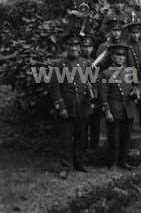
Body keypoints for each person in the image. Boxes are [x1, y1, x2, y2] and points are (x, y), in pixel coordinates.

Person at [49, 34, 93, 175]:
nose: (73, 48)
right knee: (66, 139)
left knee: (81, 138)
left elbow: (92, 83)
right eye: (71, 45)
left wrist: (92, 95)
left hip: (82, 106)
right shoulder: (59, 64)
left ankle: (79, 162)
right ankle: (65, 167)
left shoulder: (86, 63)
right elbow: (54, 88)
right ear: (66, 47)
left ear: (79, 48)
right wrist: (61, 107)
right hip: (67, 107)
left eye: (76, 46)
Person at [99, 43, 138, 170]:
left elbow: (138, 85)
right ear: (112, 57)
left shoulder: (130, 72)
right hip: (114, 108)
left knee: (126, 137)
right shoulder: (106, 74)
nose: (120, 58)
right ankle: (113, 162)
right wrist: (107, 111)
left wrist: (135, 91)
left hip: (128, 108)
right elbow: (103, 95)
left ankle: (123, 161)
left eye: (123, 55)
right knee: (114, 138)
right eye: (117, 55)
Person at [80, 36, 100, 150]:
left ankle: (94, 150)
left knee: (95, 126)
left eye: (90, 47)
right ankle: (83, 150)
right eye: (84, 47)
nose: (87, 49)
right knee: (83, 127)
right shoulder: (78, 62)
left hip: (95, 98)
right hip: (83, 99)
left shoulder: (94, 61)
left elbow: (97, 80)